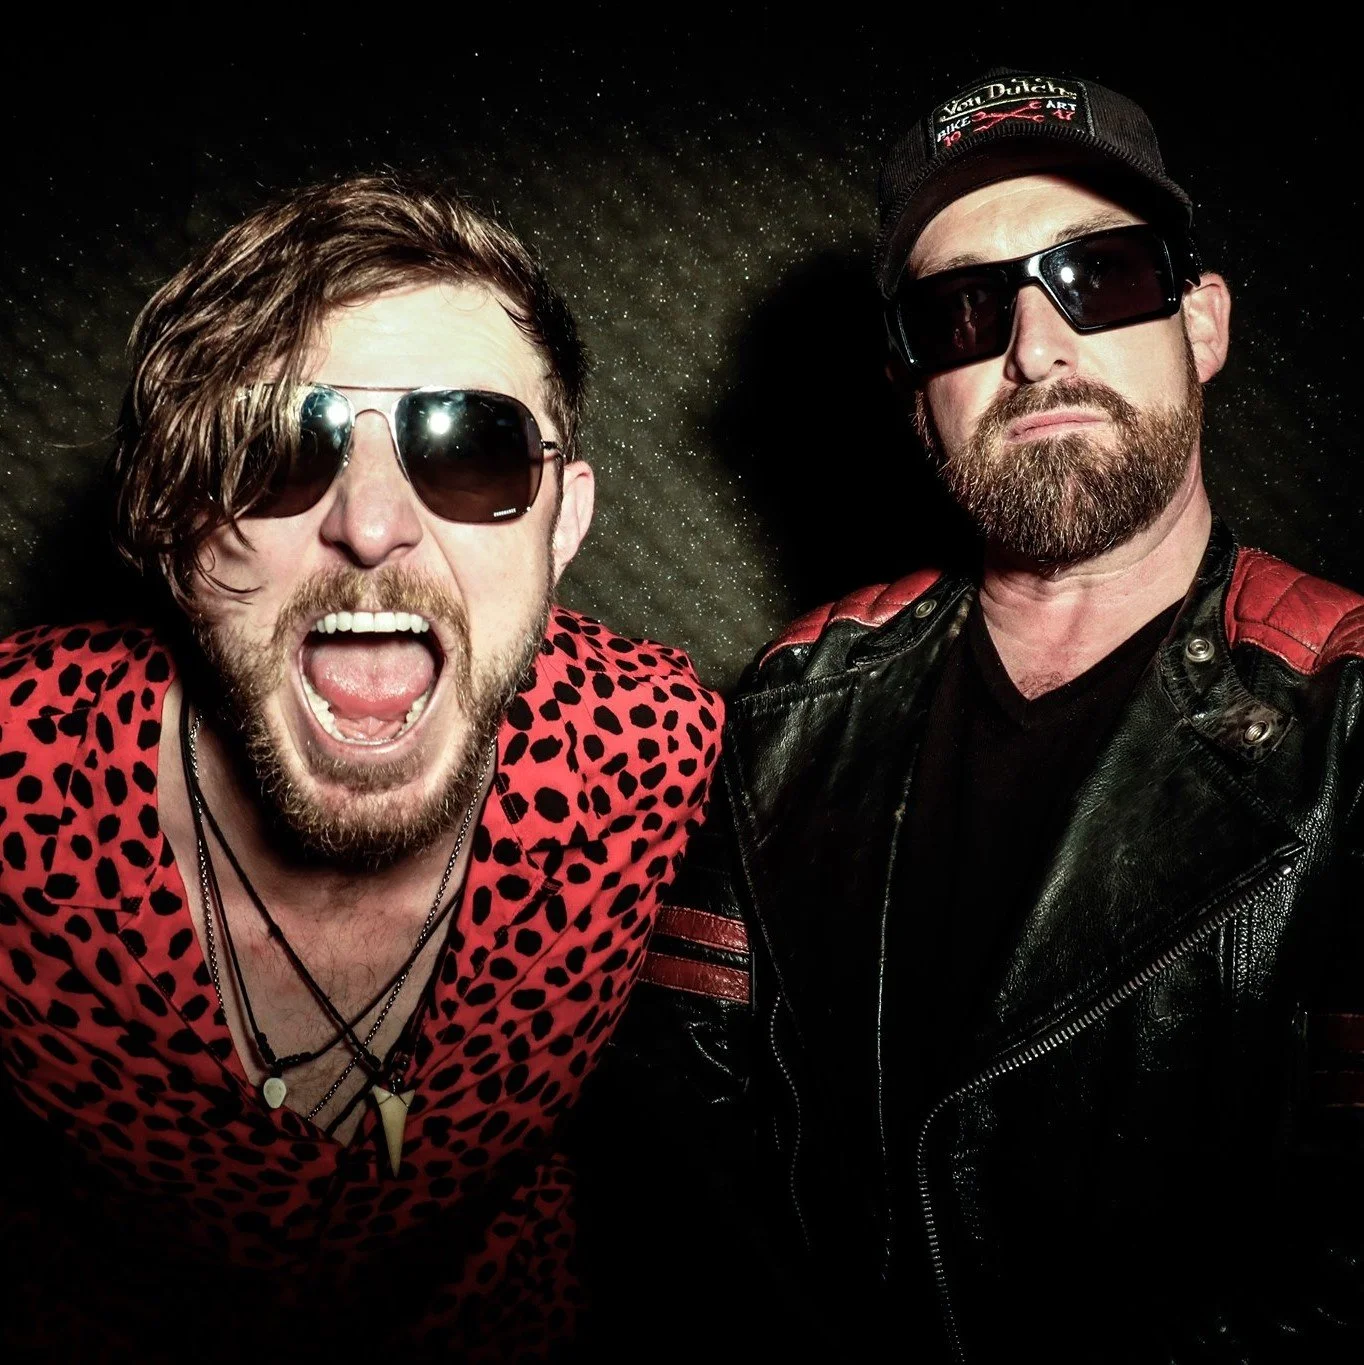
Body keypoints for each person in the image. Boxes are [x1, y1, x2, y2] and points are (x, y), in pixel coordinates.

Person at [595, 70, 1364, 1361]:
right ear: (913, 391)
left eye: (1099, 276)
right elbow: (684, 1170)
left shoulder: (1347, 713)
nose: (1036, 349)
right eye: (963, 308)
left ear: (1203, 324)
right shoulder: (789, 703)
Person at [0, 173, 720, 1362]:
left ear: (563, 521)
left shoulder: (651, 751)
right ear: (175, 525)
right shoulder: (19, 775)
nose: (372, 524)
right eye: (275, 449)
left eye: (471, 446)